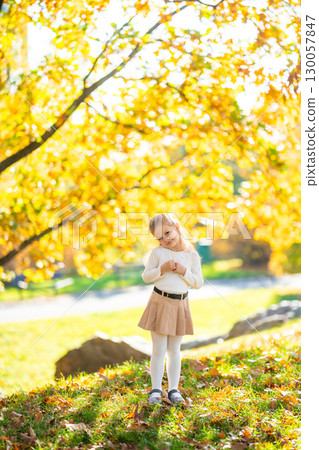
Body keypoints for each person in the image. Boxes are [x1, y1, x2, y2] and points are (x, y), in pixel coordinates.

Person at [137, 213, 204, 405]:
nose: (165, 239)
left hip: (180, 304)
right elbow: (147, 277)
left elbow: (198, 282)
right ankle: (155, 390)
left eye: (167, 233)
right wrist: (163, 269)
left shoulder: (191, 256)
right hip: (160, 302)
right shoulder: (158, 254)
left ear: (176, 226)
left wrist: (184, 272)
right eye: (159, 237)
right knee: (158, 349)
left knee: (174, 349)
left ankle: (173, 390)